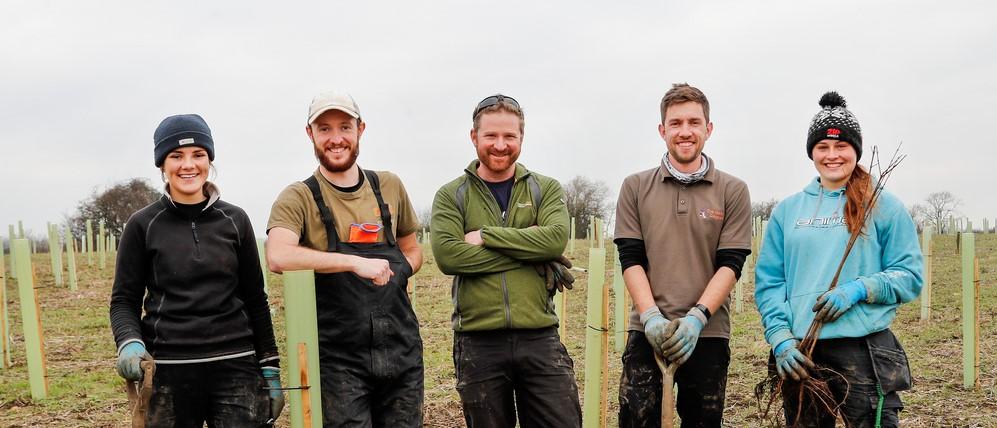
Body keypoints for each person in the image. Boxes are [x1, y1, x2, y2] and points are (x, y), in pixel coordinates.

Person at [754, 91, 922, 427]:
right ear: (812, 153)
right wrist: (780, 339)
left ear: (856, 150)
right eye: (823, 147)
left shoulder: (882, 205)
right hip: (802, 352)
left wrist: (860, 289)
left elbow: (910, 275)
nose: (832, 155)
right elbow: (770, 283)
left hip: (864, 351)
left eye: (841, 146)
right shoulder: (787, 211)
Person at [109, 113, 284, 427]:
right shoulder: (142, 225)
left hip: (236, 368)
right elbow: (124, 300)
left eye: (198, 155)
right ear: (162, 165)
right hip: (167, 372)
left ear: (209, 160)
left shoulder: (236, 221)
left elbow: (256, 300)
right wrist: (129, 342)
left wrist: (269, 368)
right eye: (176, 156)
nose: (188, 165)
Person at [265, 91, 423, 426]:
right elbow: (277, 255)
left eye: (344, 128)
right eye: (324, 129)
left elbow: (413, 248)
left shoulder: (389, 186)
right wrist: (353, 263)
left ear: (360, 129)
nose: (336, 139)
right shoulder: (299, 197)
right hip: (340, 361)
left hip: (401, 352)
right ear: (310, 134)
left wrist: (400, 271)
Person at [430, 94, 582, 427]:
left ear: (521, 139)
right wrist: (531, 254)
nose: (500, 145)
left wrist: (486, 236)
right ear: (474, 137)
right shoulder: (451, 195)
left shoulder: (545, 189)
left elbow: (555, 239)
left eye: (509, 136)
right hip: (477, 342)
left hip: (539, 337)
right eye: (491, 136)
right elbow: (449, 255)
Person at [615, 83, 752, 427]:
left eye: (694, 122)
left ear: (709, 129)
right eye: (676, 123)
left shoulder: (732, 190)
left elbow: (731, 264)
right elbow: (631, 259)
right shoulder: (635, 187)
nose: (685, 132)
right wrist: (650, 318)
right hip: (646, 332)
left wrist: (697, 317)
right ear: (663, 131)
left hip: (707, 334)